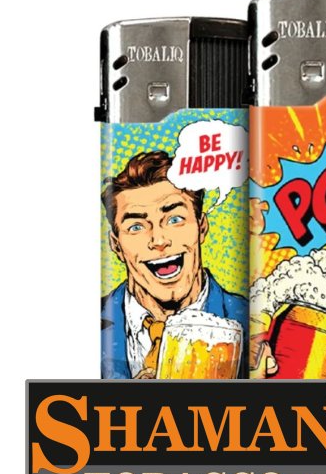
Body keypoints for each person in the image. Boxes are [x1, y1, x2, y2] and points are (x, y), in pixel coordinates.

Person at [100, 150, 247, 379]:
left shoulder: (251, 322)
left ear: (202, 227)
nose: (159, 240)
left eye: (175, 219)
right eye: (136, 227)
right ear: (116, 245)